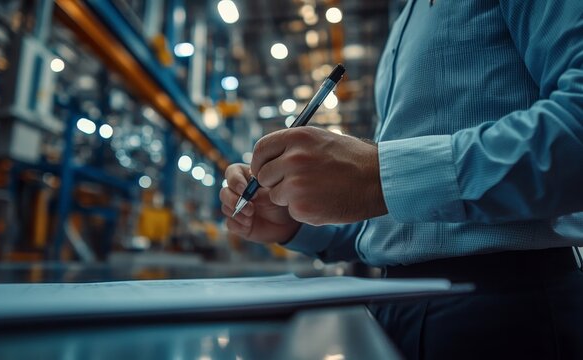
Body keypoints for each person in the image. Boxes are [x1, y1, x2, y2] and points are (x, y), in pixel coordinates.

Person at [220, 1, 583, 359]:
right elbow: (402, 221)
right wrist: (292, 223)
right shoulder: (406, 18)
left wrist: (377, 174)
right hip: (399, 306)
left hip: (507, 313)